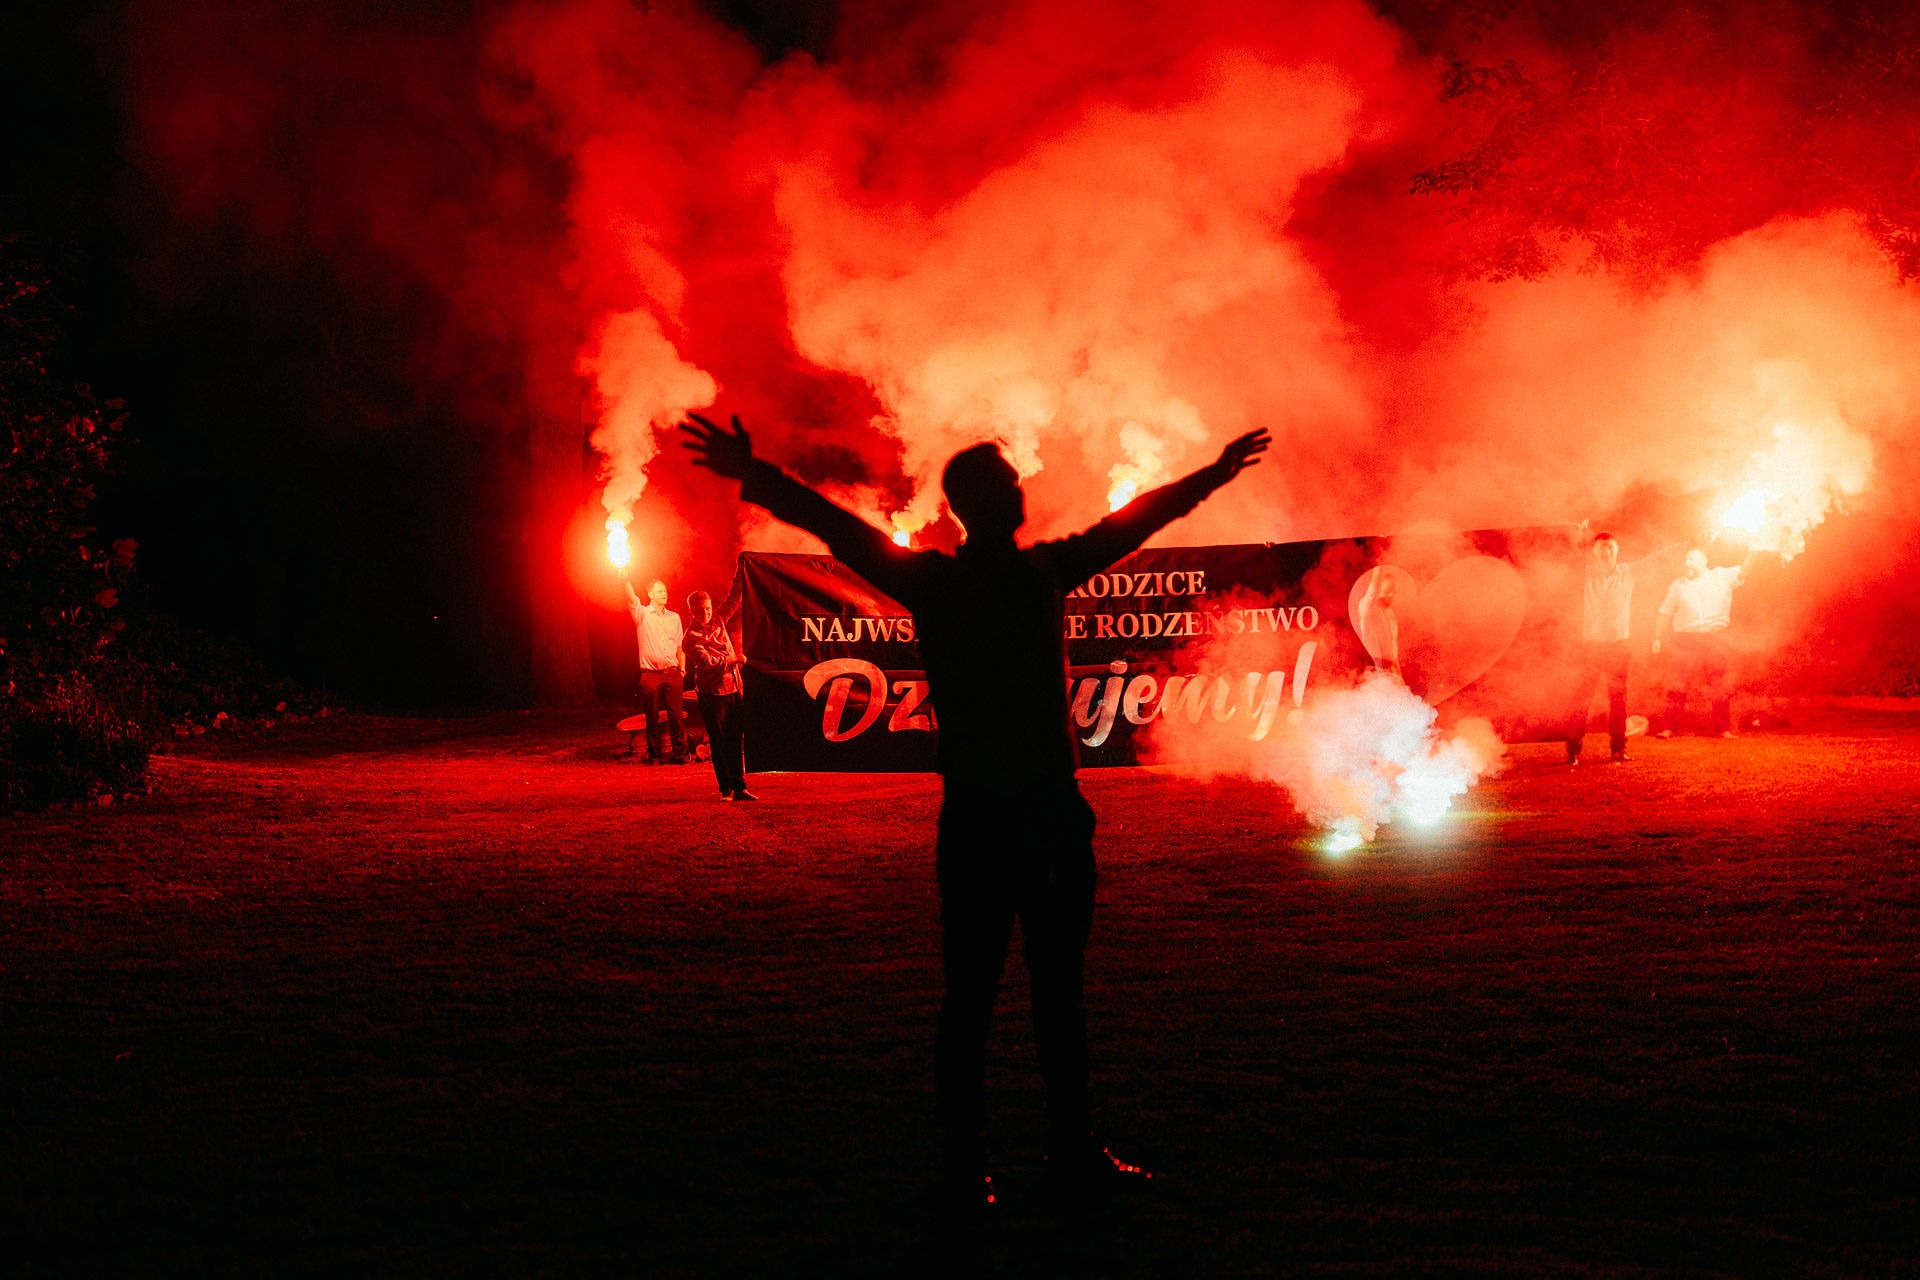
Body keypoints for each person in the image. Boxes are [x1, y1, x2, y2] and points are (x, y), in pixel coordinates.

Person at [680, 410, 1269, 1221]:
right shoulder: (1003, 578)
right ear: (986, 502)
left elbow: (840, 528)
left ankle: (1023, 1159)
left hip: (1012, 818)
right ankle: (1018, 1160)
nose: (1021, 490)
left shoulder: (966, 580)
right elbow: (1132, 522)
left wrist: (1215, 474)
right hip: (1018, 816)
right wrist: (1214, 473)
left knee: (1006, 997)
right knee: (1006, 997)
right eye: (1007, 483)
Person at [1652, 547, 1753, 738]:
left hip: (1714, 637)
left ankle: (1723, 729)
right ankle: (1669, 728)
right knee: (1677, 682)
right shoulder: (1677, 585)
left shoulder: (1720, 576)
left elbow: (1744, 571)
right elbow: (1664, 612)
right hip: (1685, 638)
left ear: (1704, 561)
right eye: (1686, 560)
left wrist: (1754, 552)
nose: (1687, 563)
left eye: (1692, 559)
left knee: (1718, 683)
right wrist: (1657, 636)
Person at [1566, 533, 1637, 764]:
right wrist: (1579, 535)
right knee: (1581, 698)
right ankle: (1573, 750)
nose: (1606, 552)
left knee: (1618, 699)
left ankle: (1618, 750)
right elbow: (1566, 557)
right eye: (1601, 548)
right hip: (1591, 647)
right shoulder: (1584, 573)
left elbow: (1661, 558)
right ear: (1594, 552)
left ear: (1617, 550)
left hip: (1618, 646)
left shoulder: (1628, 571)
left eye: (1610, 547)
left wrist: (1692, 542)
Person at [683, 589, 752, 801]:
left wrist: (742, 569)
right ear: (692, 612)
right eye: (701, 611)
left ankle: (740, 787)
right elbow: (709, 663)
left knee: (735, 740)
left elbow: (733, 598)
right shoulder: (691, 637)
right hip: (712, 694)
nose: (706, 613)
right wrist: (736, 658)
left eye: (708, 608)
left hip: (733, 689)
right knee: (719, 741)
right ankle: (726, 789)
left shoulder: (718, 620)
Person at [625, 577, 687, 763]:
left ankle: (680, 755)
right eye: (660, 591)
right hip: (650, 674)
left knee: (676, 716)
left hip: (672, 672)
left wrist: (682, 669)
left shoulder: (674, 617)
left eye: (665, 590)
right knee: (651, 716)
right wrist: (625, 579)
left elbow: (679, 646)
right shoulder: (642, 614)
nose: (664, 593)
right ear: (650, 594)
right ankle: (655, 755)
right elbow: (631, 597)